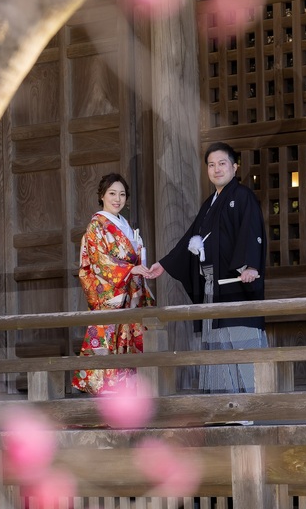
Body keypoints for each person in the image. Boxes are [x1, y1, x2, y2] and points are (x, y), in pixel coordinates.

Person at [147, 142, 267, 393]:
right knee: (218, 348)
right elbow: (191, 237)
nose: (216, 169)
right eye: (211, 165)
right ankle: (223, 403)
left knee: (242, 344)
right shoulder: (209, 203)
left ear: (234, 167)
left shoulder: (243, 196)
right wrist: (165, 264)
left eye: (222, 163)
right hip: (213, 288)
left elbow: (251, 231)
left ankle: (253, 403)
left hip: (237, 285)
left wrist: (250, 266)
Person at [72, 172, 154, 394]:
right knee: (109, 340)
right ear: (102, 196)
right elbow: (99, 261)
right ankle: (105, 392)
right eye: (112, 194)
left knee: (129, 341)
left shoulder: (124, 224)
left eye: (122, 194)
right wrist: (129, 269)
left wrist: (140, 268)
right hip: (111, 292)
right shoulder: (96, 226)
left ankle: (128, 393)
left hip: (129, 292)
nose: (117, 199)